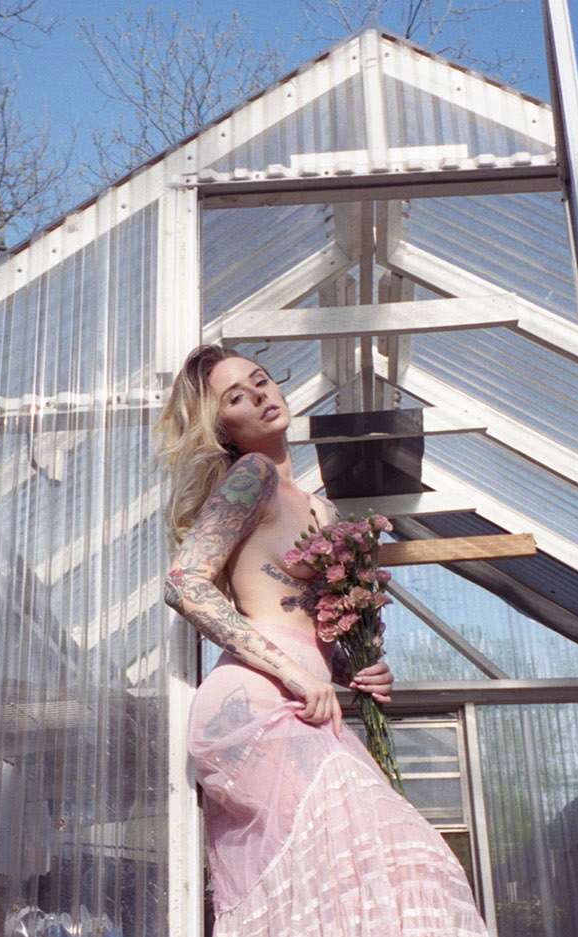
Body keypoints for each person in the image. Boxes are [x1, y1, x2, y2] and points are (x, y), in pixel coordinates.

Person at [156, 344, 487, 936]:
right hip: (258, 703)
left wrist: (356, 670)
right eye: (236, 397)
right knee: (386, 857)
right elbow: (184, 583)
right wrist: (293, 672)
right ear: (222, 428)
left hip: (308, 703)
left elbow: (315, 628)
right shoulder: (252, 477)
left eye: (261, 380)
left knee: (367, 878)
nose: (260, 396)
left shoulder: (324, 511)